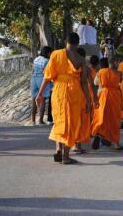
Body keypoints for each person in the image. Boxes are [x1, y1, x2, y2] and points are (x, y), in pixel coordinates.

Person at [36, 32, 95, 165]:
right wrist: (88, 99)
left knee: (60, 120)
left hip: (58, 90)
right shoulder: (81, 59)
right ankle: (65, 156)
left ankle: (58, 148)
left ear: (65, 41)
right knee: (72, 124)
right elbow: (84, 82)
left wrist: (39, 94)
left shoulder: (56, 54)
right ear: (78, 43)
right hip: (75, 92)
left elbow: (47, 76)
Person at [91, 56, 123, 151]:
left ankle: (100, 134)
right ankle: (116, 144)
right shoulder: (119, 73)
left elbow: (95, 83)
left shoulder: (101, 72)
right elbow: (119, 83)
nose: (119, 64)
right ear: (113, 62)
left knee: (102, 117)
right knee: (114, 119)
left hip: (102, 96)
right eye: (118, 62)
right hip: (115, 96)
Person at [30, 46, 53, 126]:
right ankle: (40, 121)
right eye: (50, 52)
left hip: (34, 79)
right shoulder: (47, 60)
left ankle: (33, 121)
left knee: (34, 99)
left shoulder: (36, 59)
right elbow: (46, 72)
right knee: (42, 99)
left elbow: (33, 70)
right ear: (47, 53)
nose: (51, 54)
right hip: (41, 79)